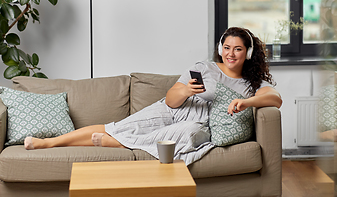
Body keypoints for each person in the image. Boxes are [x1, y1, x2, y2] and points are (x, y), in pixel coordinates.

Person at [24, 27, 282, 165]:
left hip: (198, 122)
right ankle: (48, 143)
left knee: (184, 135)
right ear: (220, 49)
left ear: (247, 53)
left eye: (238, 49)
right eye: (227, 48)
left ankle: (119, 142)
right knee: (114, 127)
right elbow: (171, 100)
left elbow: (274, 98)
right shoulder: (204, 68)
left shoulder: (250, 84)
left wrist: (247, 102)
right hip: (176, 108)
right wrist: (185, 90)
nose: (231, 54)